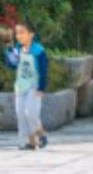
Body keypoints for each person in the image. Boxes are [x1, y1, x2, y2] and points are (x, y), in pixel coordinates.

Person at [4, 21, 48, 150]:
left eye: (22, 32)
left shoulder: (39, 51)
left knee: (31, 114)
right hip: (20, 87)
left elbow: (43, 71)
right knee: (21, 115)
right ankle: (30, 143)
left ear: (31, 34)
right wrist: (9, 50)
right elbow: (12, 65)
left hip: (34, 86)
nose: (19, 35)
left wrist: (41, 88)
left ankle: (41, 134)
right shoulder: (17, 49)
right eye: (17, 33)